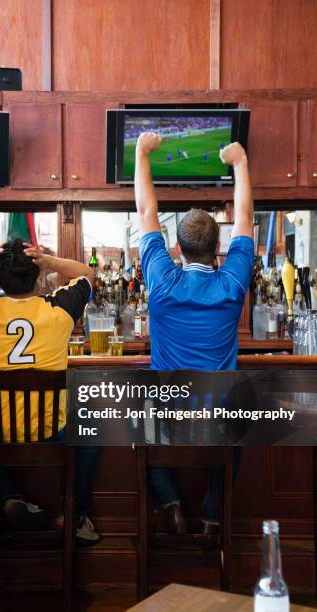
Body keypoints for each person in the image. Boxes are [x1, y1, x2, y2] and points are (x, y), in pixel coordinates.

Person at [134, 132, 253, 534]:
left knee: (134, 420)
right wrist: (239, 163)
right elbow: (245, 221)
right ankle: (213, 516)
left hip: (168, 419)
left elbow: (146, 208)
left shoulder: (161, 281)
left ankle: (168, 501)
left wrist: (141, 152)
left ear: (176, 248)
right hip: (216, 420)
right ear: (219, 248)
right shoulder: (232, 285)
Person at [0, 238, 101, 544]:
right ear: (38, 276)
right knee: (91, 432)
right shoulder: (59, 309)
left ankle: (10, 497)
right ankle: (75, 514)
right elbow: (88, 273)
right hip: (49, 431)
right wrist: (49, 261)